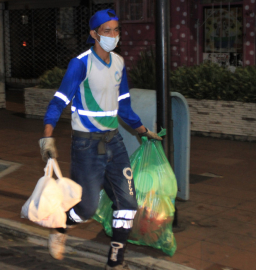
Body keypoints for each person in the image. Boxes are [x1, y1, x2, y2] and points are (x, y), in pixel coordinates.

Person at [39, 9, 162, 270]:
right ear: (94, 34)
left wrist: (142, 131)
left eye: (117, 30)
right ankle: (60, 224)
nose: (114, 35)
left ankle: (115, 261)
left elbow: (124, 105)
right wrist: (47, 137)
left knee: (128, 204)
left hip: (114, 142)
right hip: (86, 145)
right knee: (86, 209)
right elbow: (59, 101)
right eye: (108, 31)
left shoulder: (118, 63)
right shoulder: (81, 63)